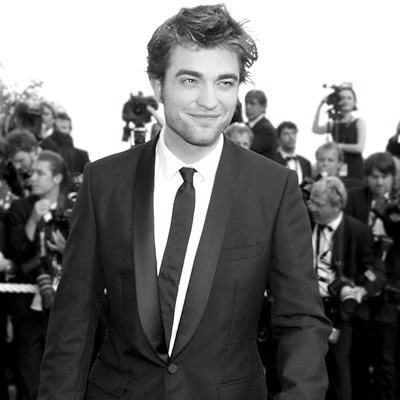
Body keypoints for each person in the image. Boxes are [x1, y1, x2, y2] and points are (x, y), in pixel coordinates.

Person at [39, 5, 330, 400]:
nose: (209, 101)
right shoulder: (103, 182)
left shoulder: (274, 188)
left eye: (225, 82)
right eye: (190, 80)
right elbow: (73, 321)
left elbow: (301, 322)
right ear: (158, 85)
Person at [308, 176, 384, 400]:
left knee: (339, 367)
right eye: (310, 201)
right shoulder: (305, 222)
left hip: (339, 312)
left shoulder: (357, 231)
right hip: (308, 306)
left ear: (337, 205)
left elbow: (376, 271)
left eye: (318, 204)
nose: (311, 207)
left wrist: (362, 290)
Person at [5, 150, 71, 400]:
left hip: (66, 308)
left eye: (39, 173)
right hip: (29, 307)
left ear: (57, 178)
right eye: (31, 173)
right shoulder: (20, 208)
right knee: (28, 377)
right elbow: (18, 254)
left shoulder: (75, 207)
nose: (31, 178)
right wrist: (33, 220)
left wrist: (66, 248)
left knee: (63, 377)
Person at [345, 152, 399, 400]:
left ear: (393, 177)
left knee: (386, 360)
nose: (379, 182)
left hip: (390, 290)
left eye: (384, 177)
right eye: (374, 177)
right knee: (357, 356)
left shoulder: (397, 202)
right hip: (359, 286)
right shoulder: (354, 198)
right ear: (366, 177)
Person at [312, 84, 366, 180]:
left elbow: (359, 148)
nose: (346, 101)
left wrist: (338, 146)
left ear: (354, 102)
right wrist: (320, 106)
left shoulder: (359, 122)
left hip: (354, 166)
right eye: (342, 98)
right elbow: (316, 129)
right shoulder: (334, 123)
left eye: (349, 98)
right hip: (336, 167)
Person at [244, 89, 277, 159]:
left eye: (252, 104)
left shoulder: (267, 130)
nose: (248, 107)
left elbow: (248, 149)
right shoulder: (245, 126)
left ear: (263, 107)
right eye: (246, 103)